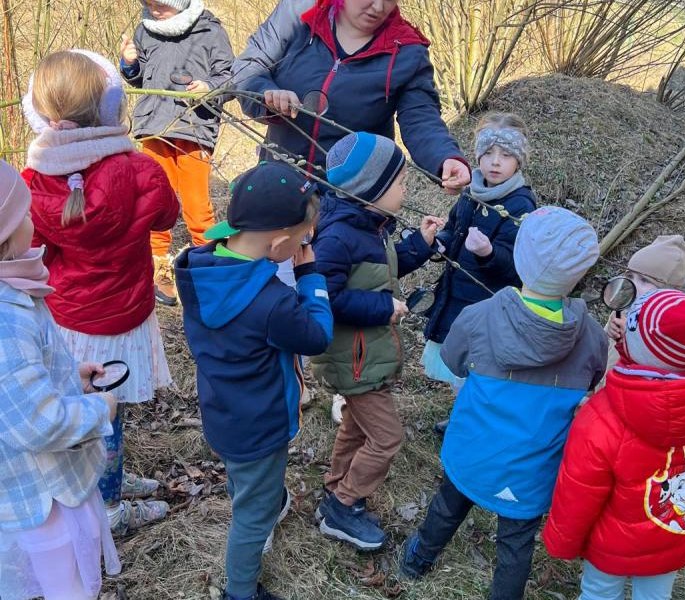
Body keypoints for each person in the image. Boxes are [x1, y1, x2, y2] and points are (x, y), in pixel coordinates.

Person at [399, 206, 608, 600]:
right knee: (516, 546)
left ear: (521, 259)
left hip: (473, 450)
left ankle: (417, 560)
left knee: (447, 507)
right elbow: (592, 380)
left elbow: (453, 361)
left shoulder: (479, 316)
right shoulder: (593, 337)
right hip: (532, 469)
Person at [21, 50, 179, 535]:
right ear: (111, 109)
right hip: (125, 317)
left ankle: (107, 481)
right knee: (108, 415)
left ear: (38, 115)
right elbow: (167, 215)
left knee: (88, 412)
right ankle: (109, 509)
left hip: (69, 320)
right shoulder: (141, 170)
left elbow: (31, 253)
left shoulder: (31, 183)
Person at [174, 161, 333, 600]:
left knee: (244, 477)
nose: (303, 245)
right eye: (302, 238)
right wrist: (310, 277)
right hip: (261, 425)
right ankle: (240, 591)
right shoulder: (273, 303)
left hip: (223, 412)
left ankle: (255, 494)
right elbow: (317, 336)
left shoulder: (201, 267)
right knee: (252, 519)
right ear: (279, 243)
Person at [543, 289, 685, 600]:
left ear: (644, 346)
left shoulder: (601, 417)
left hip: (612, 543)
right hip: (671, 530)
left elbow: (579, 490)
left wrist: (561, 542)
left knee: (599, 594)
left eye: (632, 325)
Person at [311, 132, 444, 550]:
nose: (406, 190)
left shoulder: (370, 226)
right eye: (400, 183)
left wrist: (420, 245)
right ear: (371, 191)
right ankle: (343, 505)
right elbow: (327, 297)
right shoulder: (337, 237)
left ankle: (335, 489)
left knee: (356, 426)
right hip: (354, 359)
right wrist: (383, 307)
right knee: (386, 438)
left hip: (365, 358)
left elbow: (383, 268)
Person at [0, 160, 121, 600]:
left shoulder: (13, 291)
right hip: (41, 493)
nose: (33, 220)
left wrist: (69, 377)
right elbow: (36, 421)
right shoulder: (5, 319)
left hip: (38, 482)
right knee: (65, 586)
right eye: (24, 214)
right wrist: (98, 409)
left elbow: (17, 385)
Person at [233, 0, 471, 189]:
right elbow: (250, 65)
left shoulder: (407, 51)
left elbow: (421, 118)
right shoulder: (300, 14)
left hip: (351, 198)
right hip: (279, 182)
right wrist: (266, 94)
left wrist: (444, 157)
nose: (378, 7)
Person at [422, 112, 537, 435]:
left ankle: (474, 422)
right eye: (488, 153)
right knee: (458, 362)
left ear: (519, 160)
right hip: (456, 295)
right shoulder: (471, 192)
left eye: (506, 155)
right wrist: (441, 244)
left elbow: (518, 265)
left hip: (488, 303)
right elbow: (454, 228)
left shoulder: (521, 205)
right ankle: (463, 414)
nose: (495, 162)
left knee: (480, 366)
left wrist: (488, 253)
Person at [120, 0, 234, 306]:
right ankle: (158, 266)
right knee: (155, 201)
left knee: (197, 205)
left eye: (159, 4)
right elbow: (138, 77)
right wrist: (129, 64)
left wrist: (208, 87)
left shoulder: (209, 29)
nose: (153, 9)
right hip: (154, 127)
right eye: (148, 3)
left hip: (194, 128)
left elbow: (229, 76)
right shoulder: (144, 30)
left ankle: (207, 267)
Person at [605, 235, 685, 374]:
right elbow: (603, 352)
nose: (633, 284)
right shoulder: (625, 308)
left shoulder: (678, 329)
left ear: (668, 290)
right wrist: (610, 332)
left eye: (644, 280)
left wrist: (631, 338)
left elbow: (657, 371)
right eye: (631, 276)